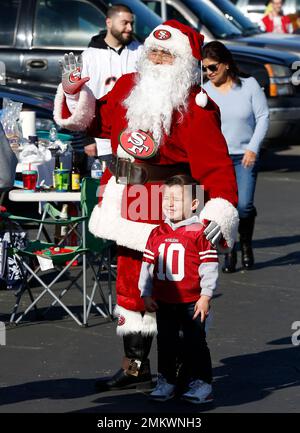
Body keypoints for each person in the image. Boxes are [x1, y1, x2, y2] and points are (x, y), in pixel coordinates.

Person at [54, 20, 239, 392]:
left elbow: (216, 165)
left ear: (184, 61)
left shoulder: (195, 107)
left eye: (166, 54)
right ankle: (135, 365)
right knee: (130, 285)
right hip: (126, 198)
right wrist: (74, 93)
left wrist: (219, 209)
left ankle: (179, 371)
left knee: (174, 286)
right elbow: (93, 121)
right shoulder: (127, 87)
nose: (156, 58)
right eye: (153, 50)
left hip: (169, 202)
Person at [139, 174, 218, 403]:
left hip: (192, 301)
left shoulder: (199, 232)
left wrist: (206, 295)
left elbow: (210, 267)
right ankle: (166, 381)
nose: (170, 203)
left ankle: (201, 383)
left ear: (194, 204)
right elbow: (147, 266)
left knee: (195, 343)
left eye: (177, 198)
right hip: (164, 301)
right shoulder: (157, 232)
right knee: (166, 343)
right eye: (166, 198)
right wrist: (145, 293)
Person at [203, 41, 269, 273]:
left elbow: (263, 117)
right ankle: (229, 250)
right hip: (217, 159)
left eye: (213, 67)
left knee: (243, 206)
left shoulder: (249, 86)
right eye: (205, 69)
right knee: (225, 207)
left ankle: (247, 245)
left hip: (244, 156)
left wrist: (253, 147)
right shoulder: (204, 92)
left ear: (226, 65)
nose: (208, 73)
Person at [77, 3, 143, 158]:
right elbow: (81, 99)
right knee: (104, 182)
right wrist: (86, 138)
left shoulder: (140, 52)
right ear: (109, 22)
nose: (130, 28)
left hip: (135, 139)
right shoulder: (89, 57)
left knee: (131, 182)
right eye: (124, 23)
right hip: (102, 140)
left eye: (131, 23)